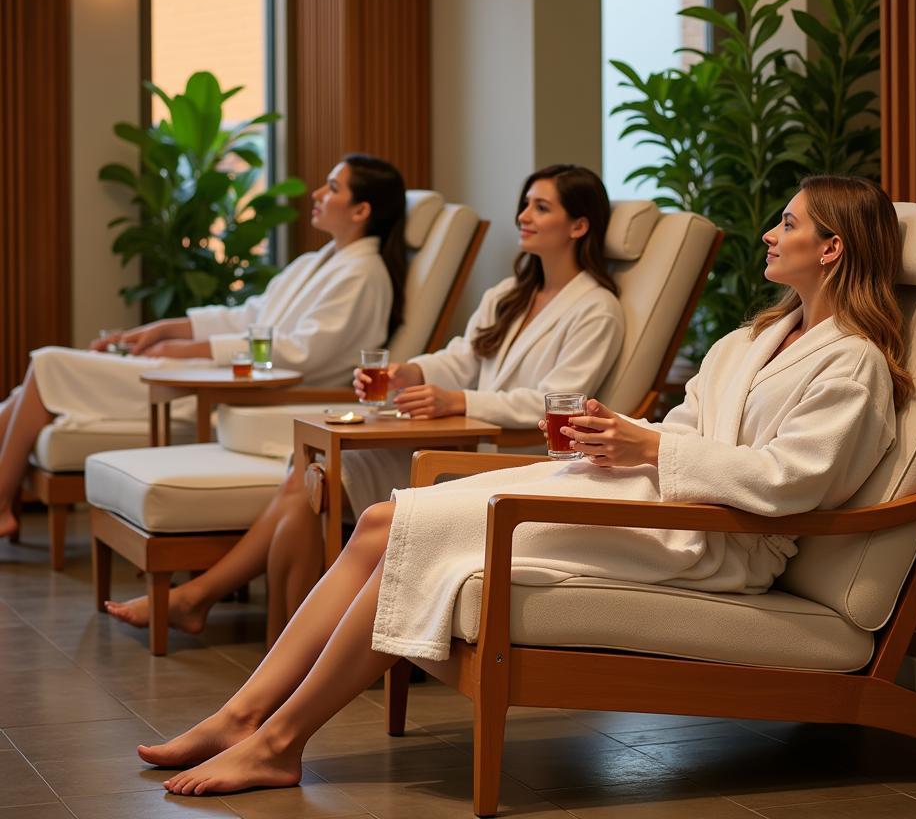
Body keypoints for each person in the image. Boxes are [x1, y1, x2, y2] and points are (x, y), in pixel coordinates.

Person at [137, 174, 912, 797]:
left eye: (790, 223)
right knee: (380, 519)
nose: (772, 234)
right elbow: (688, 422)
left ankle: (277, 740)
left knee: (404, 527)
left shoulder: (855, 364)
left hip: (712, 539)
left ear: (834, 248)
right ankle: (244, 715)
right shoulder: (755, 338)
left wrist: (649, 449)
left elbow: (794, 481)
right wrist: (631, 444)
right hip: (654, 498)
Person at [103, 163, 626, 644]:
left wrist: (456, 400)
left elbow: (560, 403)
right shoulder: (511, 293)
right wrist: (413, 371)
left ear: (579, 226)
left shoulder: (596, 311)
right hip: (461, 435)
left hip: (506, 455)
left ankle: (258, 626)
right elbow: (464, 354)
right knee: (313, 475)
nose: (523, 215)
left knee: (315, 482)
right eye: (526, 203)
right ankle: (274, 632)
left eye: (541, 206)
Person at [0, 153, 407, 541]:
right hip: (228, 376)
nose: (317, 194)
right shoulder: (317, 262)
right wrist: (168, 330)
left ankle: (2, 506)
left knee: (49, 363)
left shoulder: (363, 276)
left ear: (361, 211)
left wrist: (187, 351)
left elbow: (301, 352)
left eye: (332, 188)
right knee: (26, 392)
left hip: (256, 394)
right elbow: (250, 314)